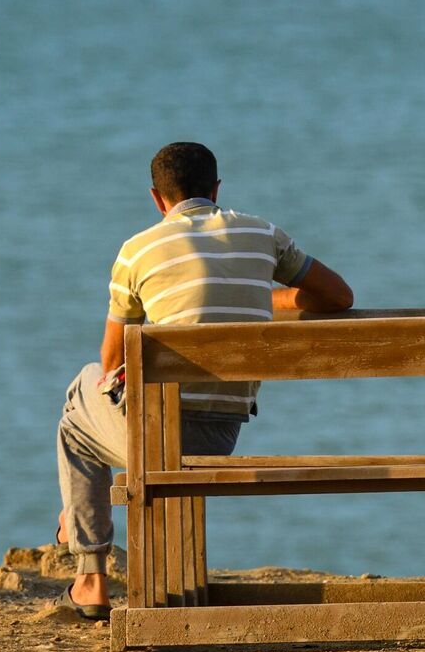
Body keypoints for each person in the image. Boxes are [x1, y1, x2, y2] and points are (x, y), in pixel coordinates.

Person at [54, 141, 354, 619]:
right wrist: (268, 298)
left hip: (157, 439)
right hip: (220, 435)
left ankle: (89, 575)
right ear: (216, 189)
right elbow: (339, 296)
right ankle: (78, 523)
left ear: (157, 198)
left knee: (79, 405)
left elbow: (111, 362)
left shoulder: (138, 251)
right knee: (101, 402)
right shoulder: (263, 235)